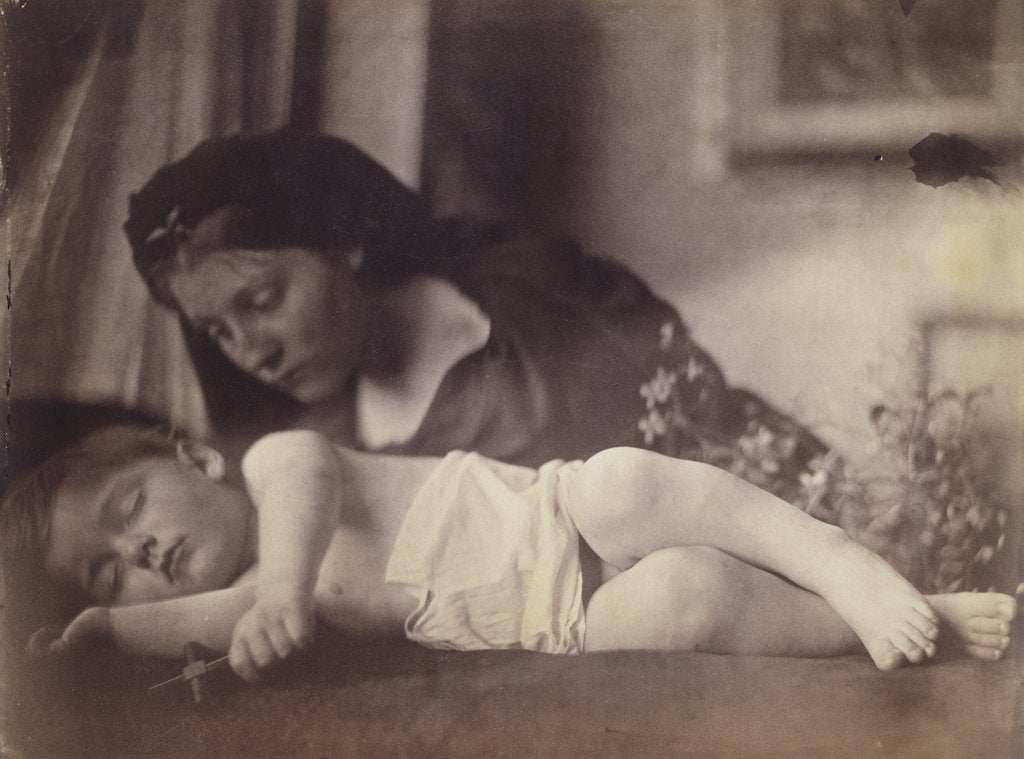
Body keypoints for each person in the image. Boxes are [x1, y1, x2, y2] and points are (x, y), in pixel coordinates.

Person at [124, 129, 826, 504]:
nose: (250, 353)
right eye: (217, 330)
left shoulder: (532, 299)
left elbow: (706, 432)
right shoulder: (315, 452)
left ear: (345, 242)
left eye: (263, 300)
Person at [5, 424, 1016, 683]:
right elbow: (187, 621)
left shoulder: (279, 468)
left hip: (562, 518)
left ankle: (837, 556)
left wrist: (277, 588)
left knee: (624, 478)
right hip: (562, 628)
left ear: (192, 456)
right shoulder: (266, 607)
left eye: (129, 506)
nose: (139, 547)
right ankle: (857, 631)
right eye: (110, 565)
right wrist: (103, 629)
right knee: (682, 601)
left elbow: (303, 486)